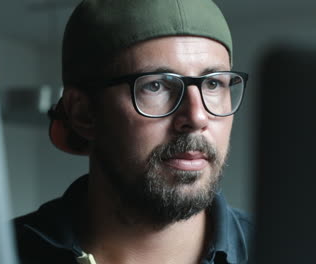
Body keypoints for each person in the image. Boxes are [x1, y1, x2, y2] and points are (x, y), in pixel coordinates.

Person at [14, 0, 252, 263]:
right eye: (156, 86)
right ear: (83, 113)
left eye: (214, 83)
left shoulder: (289, 251)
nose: (196, 117)